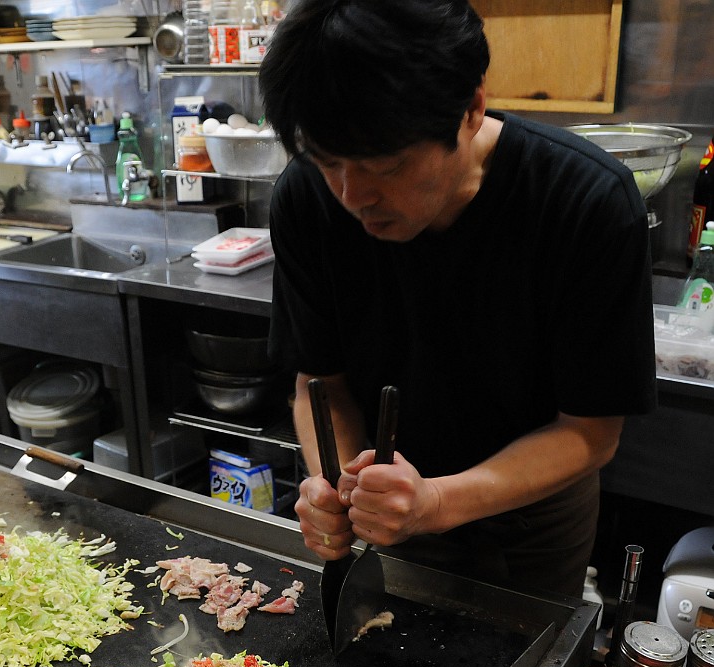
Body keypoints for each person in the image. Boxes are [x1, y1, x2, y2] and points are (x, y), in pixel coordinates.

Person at [258, 0, 656, 598]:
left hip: (529, 519)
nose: (352, 195)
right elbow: (320, 384)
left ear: (470, 108)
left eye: (385, 165)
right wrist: (336, 485)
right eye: (326, 161)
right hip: (382, 507)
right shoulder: (303, 201)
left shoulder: (585, 201)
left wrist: (437, 501)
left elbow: (589, 432)